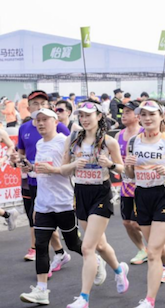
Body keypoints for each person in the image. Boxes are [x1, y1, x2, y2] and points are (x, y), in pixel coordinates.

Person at [61, 100, 129, 308]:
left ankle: (84, 298)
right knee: (99, 244)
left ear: (99, 116)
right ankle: (119, 270)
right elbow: (63, 169)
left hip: (101, 193)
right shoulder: (72, 139)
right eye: (81, 116)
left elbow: (123, 170)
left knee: (88, 247)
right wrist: (74, 164)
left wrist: (110, 164)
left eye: (88, 115)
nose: (84, 119)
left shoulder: (109, 142)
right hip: (80, 192)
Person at [124, 100, 165, 308]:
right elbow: (130, 175)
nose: (147, 118)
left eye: (152, 114)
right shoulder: (134, 142)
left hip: (164, 195)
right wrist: (128, 166)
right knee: (159, 249)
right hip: (142, 196)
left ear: (161, 116)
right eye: (143, 114)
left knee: (152, 251)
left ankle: (149, 300)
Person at [19, 108, 83, 306]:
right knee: (40, 245)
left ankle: (95, 261)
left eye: (44, 119)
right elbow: (41, 173)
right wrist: (29, 169)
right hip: (44, 203)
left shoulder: (65, 141)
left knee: (73, 244)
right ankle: (42, 290)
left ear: (55, 121)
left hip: (63, 202)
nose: (40, 123)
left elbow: (70, 170)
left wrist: (53, 169)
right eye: (37, 120)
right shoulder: (39, 143)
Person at [11, 90, 70, 262]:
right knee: (38, 220)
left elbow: (71, 153)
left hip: (57, 183)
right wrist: (17, 160)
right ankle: (50, 259)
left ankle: (87, 255)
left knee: (65, 232)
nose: (40, 106)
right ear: (29, 108)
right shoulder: (24, 128)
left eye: (43, 103)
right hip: (33, 181)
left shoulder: (59, 127)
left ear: (50, 106)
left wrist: (59, 169)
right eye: (35, 104)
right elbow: (20, 154)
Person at [114, 101, 147, 265]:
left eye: (128, 112)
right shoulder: (118, 136)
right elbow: (116, 162)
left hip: (144, 185)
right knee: (127, 222)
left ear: (137, 115)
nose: (123, 115)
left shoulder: (145, 133)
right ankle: (143, 249)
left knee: (140, 222)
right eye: (122, 112)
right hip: (126, 185)